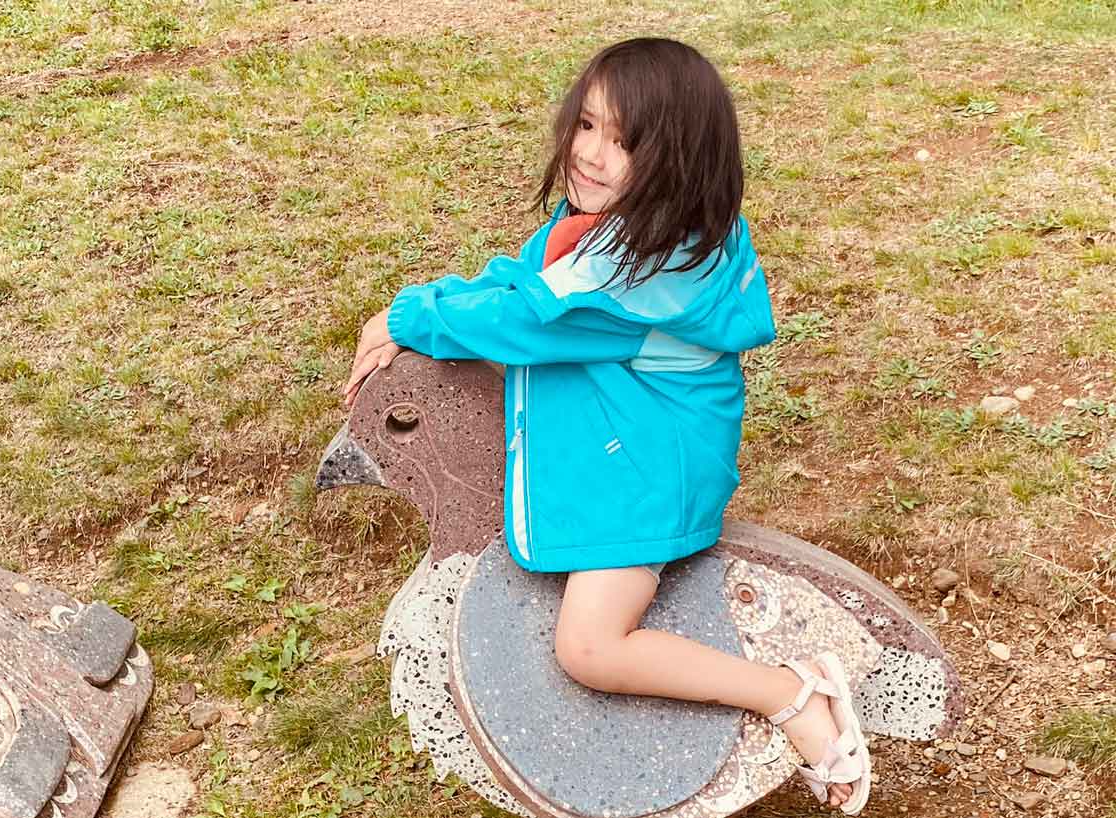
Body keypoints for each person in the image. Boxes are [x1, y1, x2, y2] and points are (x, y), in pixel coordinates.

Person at [342, 38, 869, 814]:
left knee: (589, 646)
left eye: (623, 142)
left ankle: (790, 692)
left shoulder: (634, 282)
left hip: (653, 471)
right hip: (643, 432)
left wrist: (408, 313)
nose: (590, 154)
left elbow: (528, 317)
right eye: (586, 124)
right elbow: (531, 281)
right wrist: (435, 300)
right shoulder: (635, 228)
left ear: (679, 161)